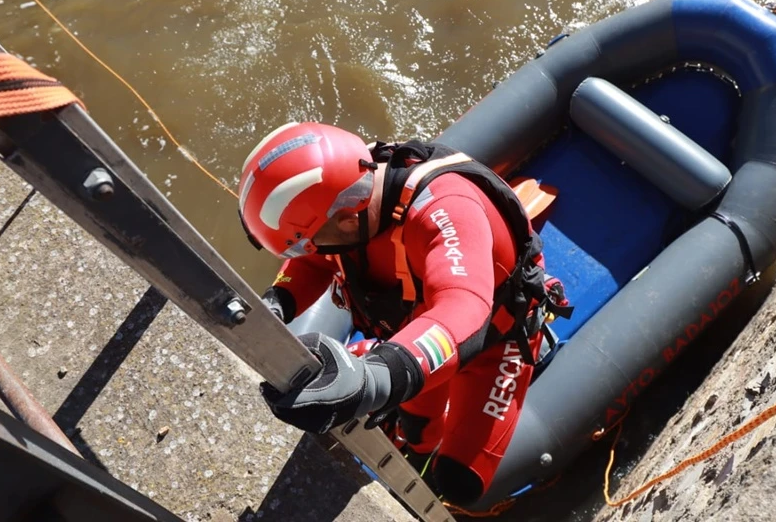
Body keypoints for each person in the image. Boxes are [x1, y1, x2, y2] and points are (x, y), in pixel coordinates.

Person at [238, 122, 570, 505]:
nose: (307, 253)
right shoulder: (347, 202)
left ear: (347, 219)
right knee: (417, 428)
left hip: (494, 339)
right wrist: (277, 302)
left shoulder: (445, 207)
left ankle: (539, 351)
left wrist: (375, 378)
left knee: (460, 481)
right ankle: (414, 433)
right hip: (419, 326)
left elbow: (463, 307)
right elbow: (317, 264)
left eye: (307, 245)